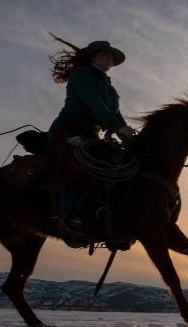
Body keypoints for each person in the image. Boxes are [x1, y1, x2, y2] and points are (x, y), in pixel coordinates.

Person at [45, 34, 137, 243]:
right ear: (92, 58)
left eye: (112, 58)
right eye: (106, 55)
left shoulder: (109, 86)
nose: (110, 60)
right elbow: (95, 105)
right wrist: (117, 127)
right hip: (68, 129)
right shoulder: (82, 74)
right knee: (77, 165)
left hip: (91, 134)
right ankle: (68, 220)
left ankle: (108, 219)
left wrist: (125, 131)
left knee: (117, 165)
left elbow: (113, 113)